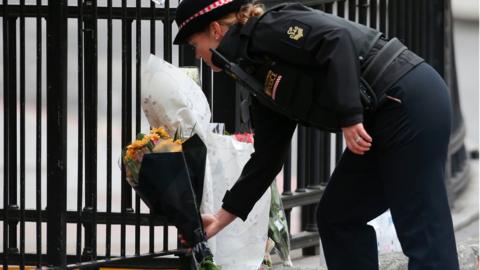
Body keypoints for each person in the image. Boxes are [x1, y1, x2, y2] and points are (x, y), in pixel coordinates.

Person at [173, 0, 460, 269]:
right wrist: (221, 219)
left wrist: (350, 116)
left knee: (423, 230)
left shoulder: (267, 29)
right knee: (338, 216)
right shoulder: (255, 69)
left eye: (195, 44)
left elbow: (335, 41)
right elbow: (267, 160)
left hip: (407, 101)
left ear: (215, 30)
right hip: (382, 117)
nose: (196, 54)